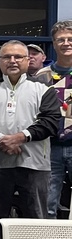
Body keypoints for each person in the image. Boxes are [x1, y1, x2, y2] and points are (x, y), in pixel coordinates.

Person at [0, 40, 61, 239]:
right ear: (0, 62)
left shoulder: (44, 90)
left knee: (35, 216)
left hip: (35, 164)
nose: (13, 61)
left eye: (18, 57)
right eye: (7, 57)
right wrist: (1, 140)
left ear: (28, 61)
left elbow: (50, 122)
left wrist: (20, 138)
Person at [39, 20, 72, 218]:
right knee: (48, 202)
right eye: (61, 40)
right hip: (50, 146)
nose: (66, 43)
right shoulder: (42, 76)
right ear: (53, 44)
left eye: (70, 39)